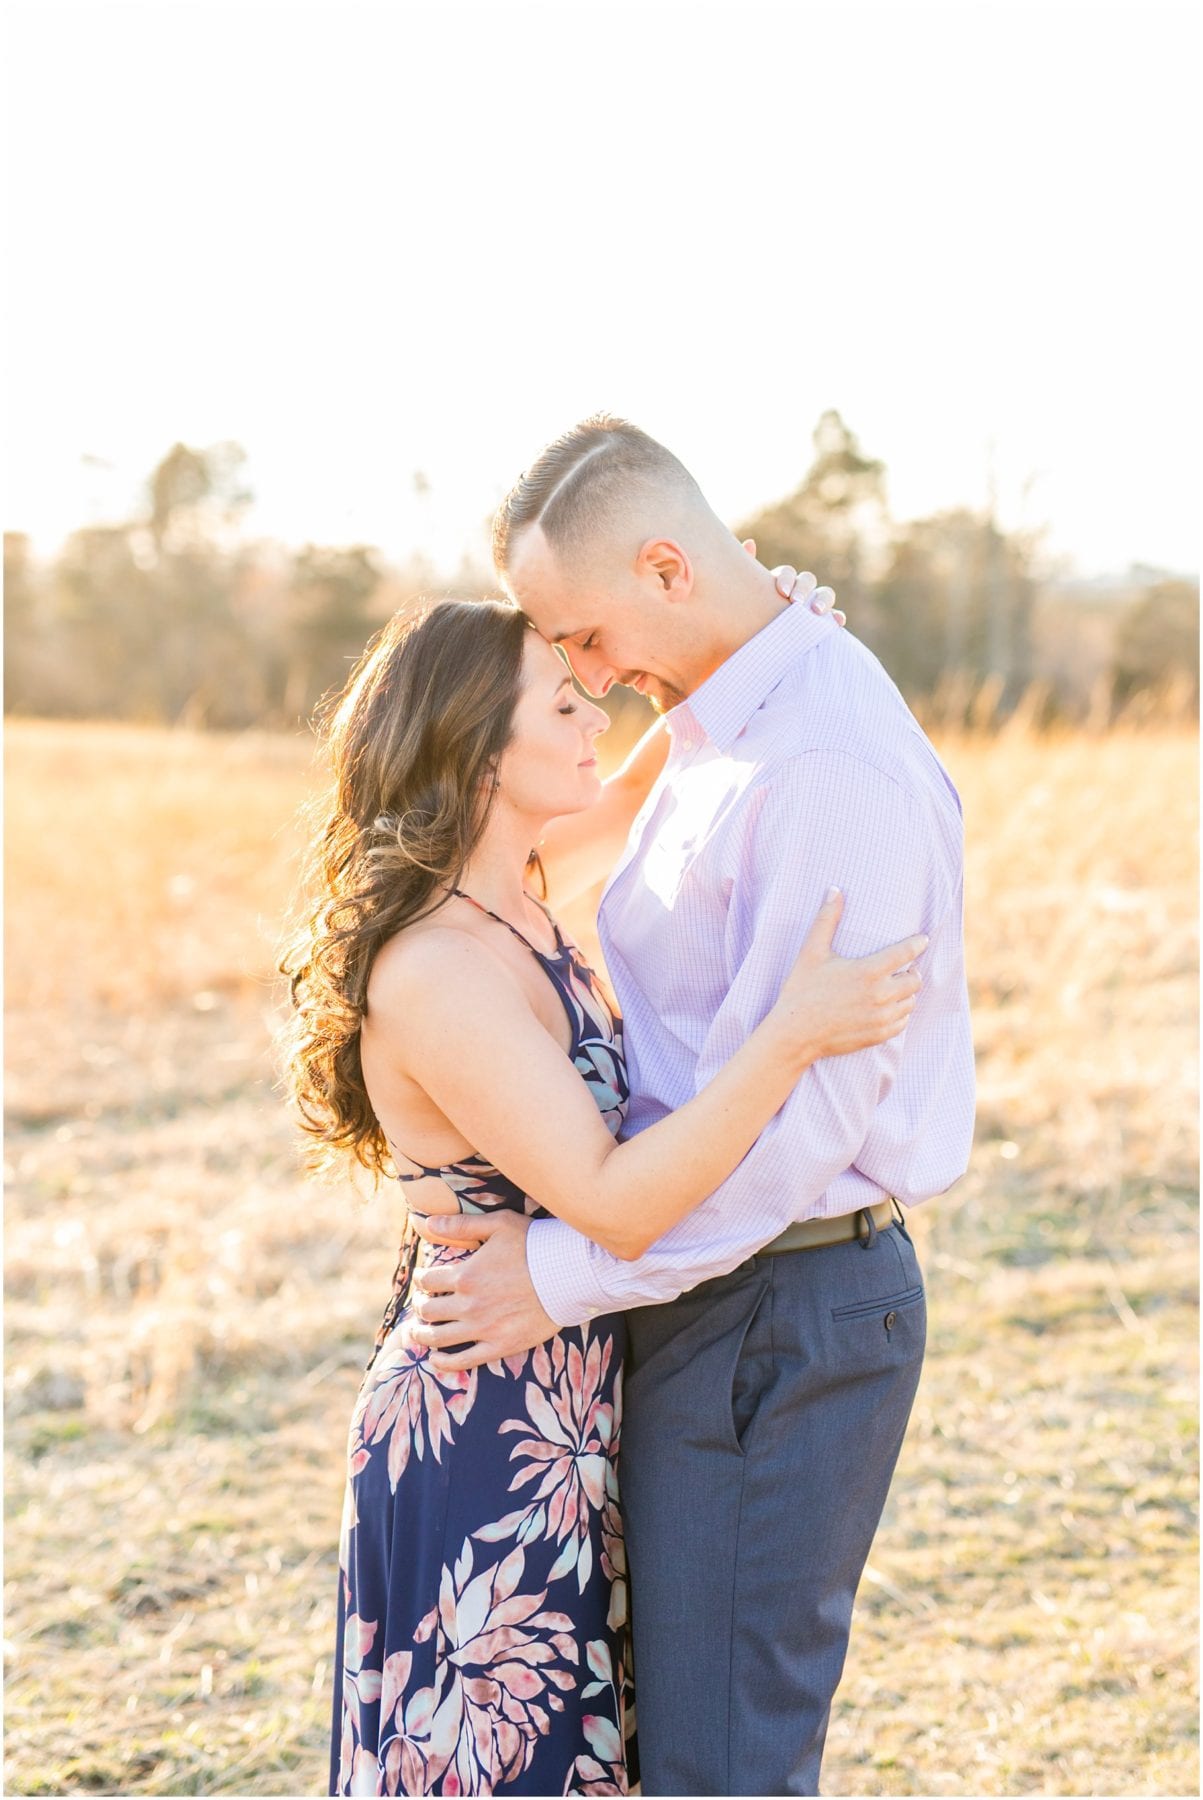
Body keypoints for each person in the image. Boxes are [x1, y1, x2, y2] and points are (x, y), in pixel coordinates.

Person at [406, 416, 976, 1797]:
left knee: (723, 1765)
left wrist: (558, 1272)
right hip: (692, 1294)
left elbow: (793, 1139)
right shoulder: (724, 722)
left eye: (583, 640)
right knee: (669, 1746)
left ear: (664, 566)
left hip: (770, 1309)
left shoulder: (818, 768)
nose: (580, 679)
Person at [281, 585, 928, 1797]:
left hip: (563, 1395)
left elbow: (672, 751)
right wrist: (788, 1038)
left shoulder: (516, 880)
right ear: (477, 748)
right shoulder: (436, 968)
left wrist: (769, 627)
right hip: (481, 1419)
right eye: (565, 701)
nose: (597, 715)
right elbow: (616, 1202)